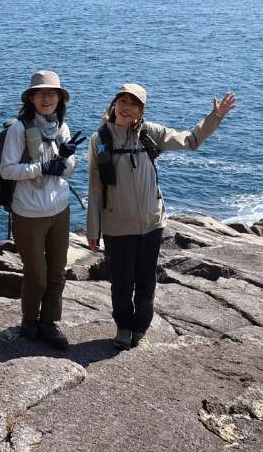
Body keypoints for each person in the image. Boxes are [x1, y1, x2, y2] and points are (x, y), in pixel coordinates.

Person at [86, 83, 237, 350]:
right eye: (122, 101)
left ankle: (139, 329)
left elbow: (190, 140)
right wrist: (93, 230)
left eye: (133, 104)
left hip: (152, 223)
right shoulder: (100, 140)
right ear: (114, 104)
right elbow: (95, 187)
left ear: (141, 111)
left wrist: (215, 117)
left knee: (146, 281)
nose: (126, 107)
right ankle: (123, 327)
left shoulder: (150, 133)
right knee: (121, 282)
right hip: (117, 225)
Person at [0, 70, 84, 349]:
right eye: (41, 94)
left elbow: (67, 171)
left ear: (60, 98)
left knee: (57, 272)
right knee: (36, 274)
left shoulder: (61, 127)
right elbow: (7, 170)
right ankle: (29, 321)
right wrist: (42, 167)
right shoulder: (19, 130)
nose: (47, 98)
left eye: (52, 93)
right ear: (31, 98)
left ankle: (49, 322)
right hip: (29, 212)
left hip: (60, 209)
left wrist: (65, 159)